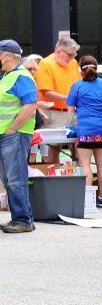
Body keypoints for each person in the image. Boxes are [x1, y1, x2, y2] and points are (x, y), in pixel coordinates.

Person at [0, 39, 46, 232]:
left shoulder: (20, 76)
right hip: (5, 134)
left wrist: (13, 128)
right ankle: (19, 218)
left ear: (9, 56)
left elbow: (30, 104)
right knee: (9, 178)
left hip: (14, 134)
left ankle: (23, 220)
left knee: (15, 178)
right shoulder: (10, 76)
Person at [35, 35, 82, 159]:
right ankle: (54, 177)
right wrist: (70, 99)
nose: (72, 58)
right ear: (59, 51)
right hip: (55, 112)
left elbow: (78, 84)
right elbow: (46, 92)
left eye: (74, 55)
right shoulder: (45, 64)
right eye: (70, 55)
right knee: (55, 148)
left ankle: (81, 176)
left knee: (80, 147)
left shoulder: (72, 62)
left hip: (72, 111)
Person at [66, 55, 102, 213]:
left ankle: (88, 200)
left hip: (85, 131)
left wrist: (73, 125)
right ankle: (101, 197)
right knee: (101, 165)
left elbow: (70, 112)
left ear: (80, 71)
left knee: (85, 164)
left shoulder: (77, 86)